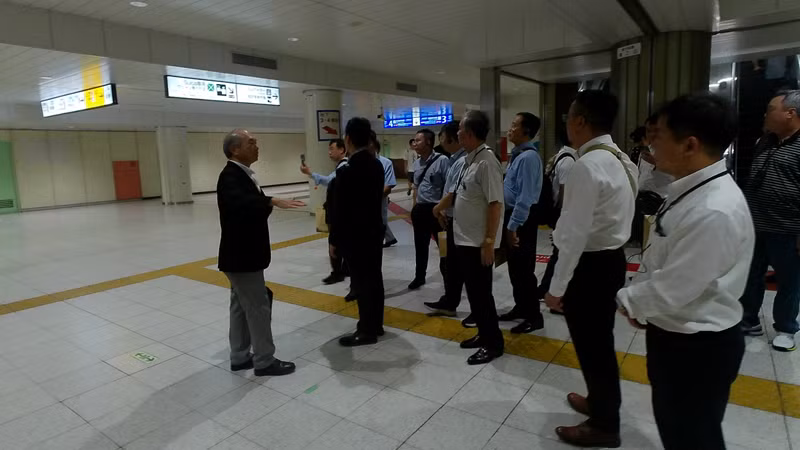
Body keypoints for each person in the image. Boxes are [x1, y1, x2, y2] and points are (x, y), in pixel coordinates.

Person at [617, 93, 752, 450]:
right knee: (679, 428)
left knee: (693, 435)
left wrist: (628, 300)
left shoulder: (714, 208)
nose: (650, 143)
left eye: (657, 134)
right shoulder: (691, 191)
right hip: (676, 333)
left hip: (697, 347)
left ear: (689, 144)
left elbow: (676, 286)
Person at [544, 91, 638, 447]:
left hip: (590, 265)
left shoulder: (587, 165)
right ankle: (600, 401)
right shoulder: (621, 159)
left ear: (580, 120)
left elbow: (573, 233)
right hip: (612, 261)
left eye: (569, 115)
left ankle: (604, 424)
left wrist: (556, 288)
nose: (566, 121)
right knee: (599, 342)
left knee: (592, 346)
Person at [217, 129, 305, 377]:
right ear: (235, 149)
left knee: (240, 306)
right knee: (258, 307)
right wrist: (270, 201)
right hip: (242, 256)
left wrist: (266, 202)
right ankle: (265, 361)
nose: (257, 146)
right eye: (251, 143)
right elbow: (241, 204)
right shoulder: (230, 176)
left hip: (239, 255)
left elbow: (247, 204)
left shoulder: (241, 174)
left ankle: (239, 356)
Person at [740, 90, 800, 352]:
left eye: (771, 108)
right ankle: (749, 319)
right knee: (752, 274)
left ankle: (786, 327)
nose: (766, 114)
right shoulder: (764, 141)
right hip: (756, 225)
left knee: (789, 279)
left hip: (788, 228)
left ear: (791, 113)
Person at [450, 110, 505, 365]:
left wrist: (489, 242)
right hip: (465, 241)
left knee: (482, 294)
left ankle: (493, 343)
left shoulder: (487, 162)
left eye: (461, 128)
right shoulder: (469, 159)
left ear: (469, 133)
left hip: (477, 243)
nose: (457, 132)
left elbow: (496, 204)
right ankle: (484, 334)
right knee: (474, 293)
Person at [332, 118, 386, 347]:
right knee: (375, 278)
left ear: (348, 139)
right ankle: (376, 324)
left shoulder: (349, 169)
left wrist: (334, 241)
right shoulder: (376, 165)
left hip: (356, 236)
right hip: (374, 231)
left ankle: (366, 330)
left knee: (362, 281)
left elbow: (341, 209)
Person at [498, 112, 545, 334]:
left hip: (522, 220)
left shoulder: (528, 158)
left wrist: (513, 226)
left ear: (526, 131)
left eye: (514, 125)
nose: (510, 128)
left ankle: (534, 317)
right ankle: (521, 308)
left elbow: (525, 197)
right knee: (516, 269)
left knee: (524, 270)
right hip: (514, 217)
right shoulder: (518, 155)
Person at [427, 121, 473, 327]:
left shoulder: (463, 160)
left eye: (441, 137)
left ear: (452, 138)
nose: (440, 141)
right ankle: (449, 302)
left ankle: (469, 308)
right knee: (451, 264)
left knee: (462, 266)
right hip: (453, 218)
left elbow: (453, 193)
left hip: (461, 221)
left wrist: (438, 209)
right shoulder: (456, 159)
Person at [537, 128, 577, 304]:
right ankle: (548, 288)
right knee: (561, 252)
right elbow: (564, 193)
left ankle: (545, 287)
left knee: (558, 252)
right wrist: (565, 218)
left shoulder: (560, 156)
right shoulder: (569, 161)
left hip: (556, 211)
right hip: (561, 212)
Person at [300, 139, 349, 285]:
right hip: (343, 213)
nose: (329, 152)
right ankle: (345, 269)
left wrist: (310, 173)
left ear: (342, 150)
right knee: (344, 242)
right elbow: (329, 180)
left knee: (334, 242)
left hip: (338, 213)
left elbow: (329, 181)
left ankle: (337, 272)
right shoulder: (342, 167)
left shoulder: (343, 168)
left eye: (332, 149)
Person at [408, 128, 450, 290]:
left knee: (443, 248)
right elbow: (416, 187)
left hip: (437, 210)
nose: (415, 143)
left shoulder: (442, 160)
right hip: (421, 210)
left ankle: (448, 277)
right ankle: (419, 277)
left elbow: (448, 186)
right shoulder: (417, 163)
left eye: (418, 140)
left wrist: (444, 210)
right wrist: (414, 207)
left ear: (429, 142)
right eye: (414, 140)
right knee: (420, 245)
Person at [368, 131, 398, 248]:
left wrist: (374, 199)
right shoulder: (355, 163)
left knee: (381, 221)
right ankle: (389, 239)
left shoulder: (385, 163)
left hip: (379, 199)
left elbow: (388, 186)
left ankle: (386, 239)